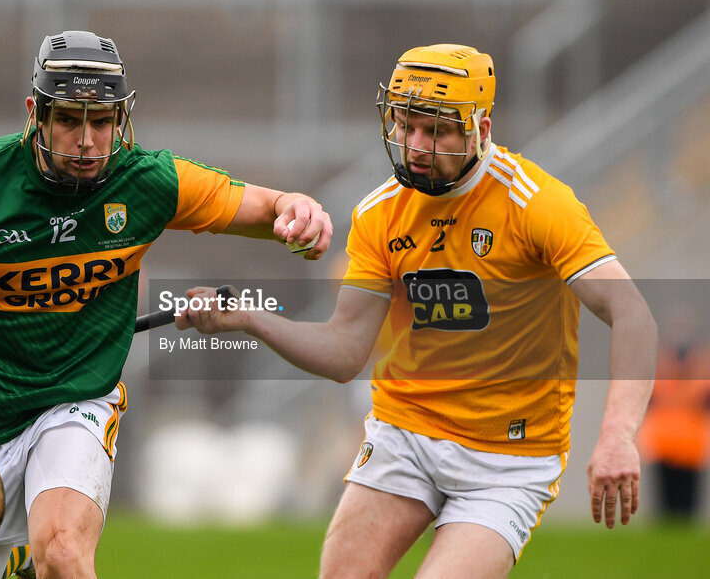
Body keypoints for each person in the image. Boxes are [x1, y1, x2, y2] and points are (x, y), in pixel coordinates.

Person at [0, 30, 332, 579]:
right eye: (69, 118)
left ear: (121, 118)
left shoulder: (147, 182)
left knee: (63, 554)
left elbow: (264, 207)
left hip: (74, 403)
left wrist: (297, 208)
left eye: (103, 120)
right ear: (35, 114)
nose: (88, 140)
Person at [178, 44, 657, 578]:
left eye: (437, 131)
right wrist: (249, 318)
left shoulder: (537, 203)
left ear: (482, 127)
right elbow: (343, 353)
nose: (416, 146)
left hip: (508, 458)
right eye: (406, 125)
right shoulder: (381, 212)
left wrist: (616, 435)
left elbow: (631, 314)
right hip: (405, 431)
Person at [639, 305, 710, 522]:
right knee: (666, 507)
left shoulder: (701, 366)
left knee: (687, 506)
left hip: (691, 446)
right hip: (664, 444)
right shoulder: (659, 363)